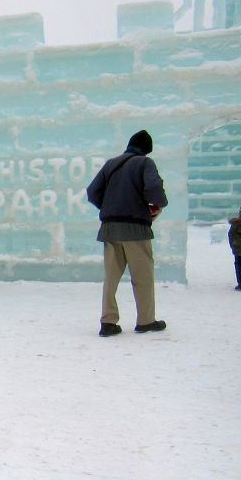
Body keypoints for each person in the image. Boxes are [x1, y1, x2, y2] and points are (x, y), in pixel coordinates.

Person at [85, 129, 169, 337]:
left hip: (110, 229)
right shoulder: (144, 163)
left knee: (111, 278)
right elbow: (154, 187)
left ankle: (108, 322)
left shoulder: (111, 163)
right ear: (146, 150)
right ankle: (146, 321)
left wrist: (111, 207)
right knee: (142, 276)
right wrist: (159, 203)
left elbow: (92, 191)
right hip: (135, 229)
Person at [230, 199, 241, 292]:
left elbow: (231, 235)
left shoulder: (236, 223)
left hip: (239, 251)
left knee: (240, 266)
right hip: (239, 249)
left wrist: (234, 247)